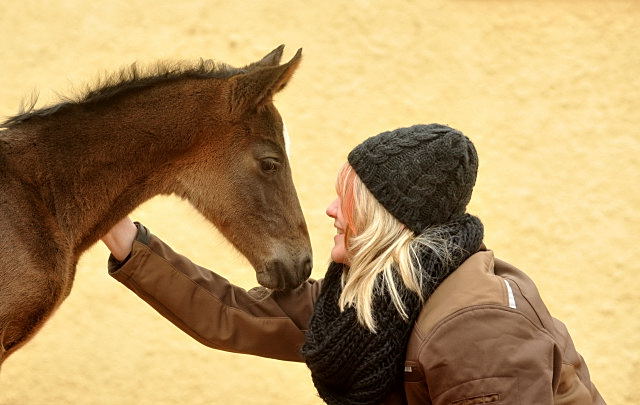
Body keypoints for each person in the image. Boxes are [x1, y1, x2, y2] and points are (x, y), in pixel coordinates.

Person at [101, 124, 605, 404]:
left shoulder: (475, 326)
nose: (330, 210)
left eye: (349, 200)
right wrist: (124, 239)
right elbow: (235, 315)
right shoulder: (371, 298)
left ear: (388, 220)